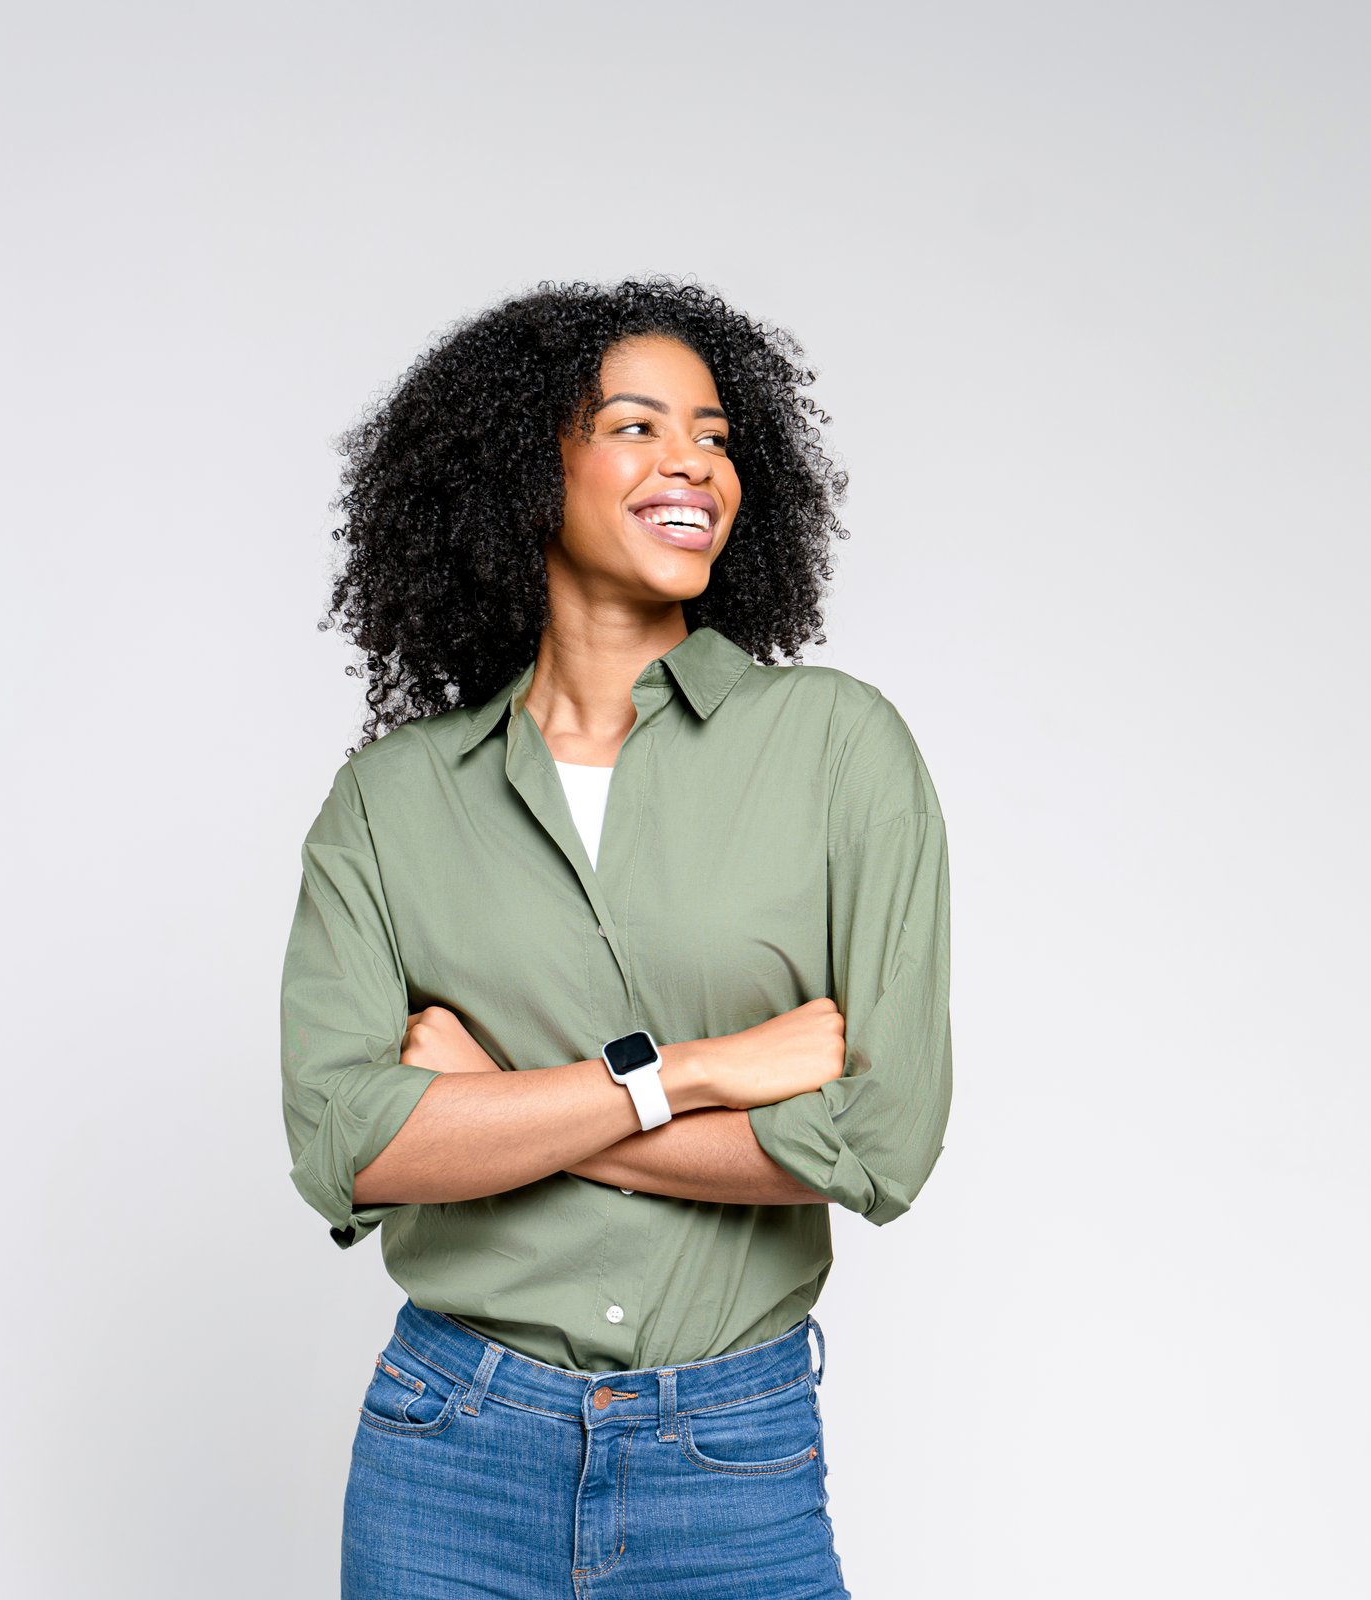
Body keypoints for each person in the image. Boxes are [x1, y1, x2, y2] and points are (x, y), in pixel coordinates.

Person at [277, 277, 952, 1599]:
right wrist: (683, 1076)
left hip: (729, 1462)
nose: (695, 460)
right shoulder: (393, 802)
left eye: (713, 433)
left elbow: (879, 1143)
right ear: (532, 469)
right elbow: (346, 1144)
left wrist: (491, 1115)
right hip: (447, 1453)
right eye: (638, 426)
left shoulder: (835, 748)